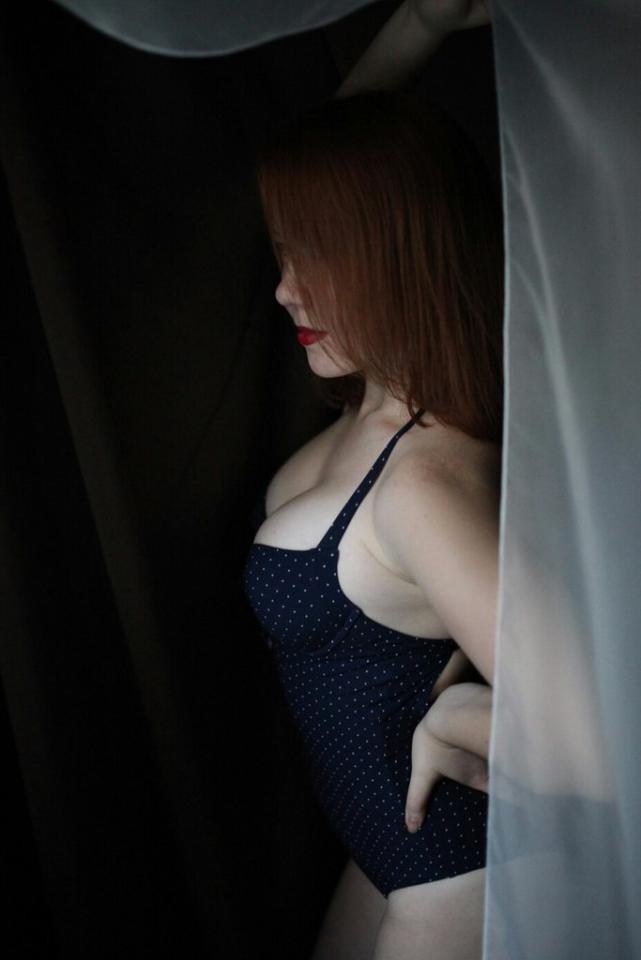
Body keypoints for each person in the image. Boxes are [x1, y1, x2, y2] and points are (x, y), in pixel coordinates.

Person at [242, 2, 498, 957]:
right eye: (283, 252)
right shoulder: (371, 403)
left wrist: (474, 713)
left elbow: (604, 734)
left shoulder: (423, 480)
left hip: (451, 882)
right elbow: (352, 170)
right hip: (386, 858)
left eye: (313, 258)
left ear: (396, 254)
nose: (283, 289)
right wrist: (421, 25)